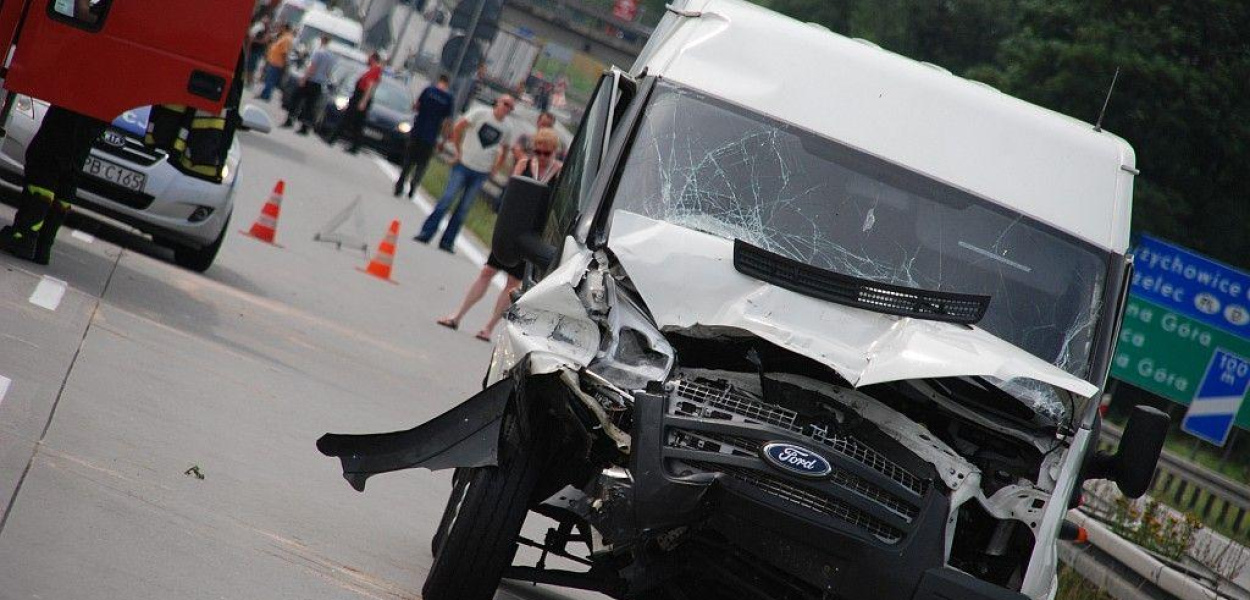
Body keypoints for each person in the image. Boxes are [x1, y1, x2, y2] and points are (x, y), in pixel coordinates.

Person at [0, 0, 110, 264]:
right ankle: (42, 243)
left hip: (83, 96)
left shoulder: (122, 12)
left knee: (45, 161)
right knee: (68, 170)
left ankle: (25, 236)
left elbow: (87, 17)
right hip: (97, 101)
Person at [437, 128, 563, 341]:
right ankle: (457, 316)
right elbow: (511, 197)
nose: (541, 157)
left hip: (534, 235)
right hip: (513, 227)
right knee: (487, 271)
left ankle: (488, 327)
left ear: (554, 153)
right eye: (538, 152)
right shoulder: (524, 164)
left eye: (546, 154)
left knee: (513, 282)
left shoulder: (559, 171)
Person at [414, 95, 515, 251]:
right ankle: (426, 232)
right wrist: (457, 151)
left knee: (464, 208)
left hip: (482, 171)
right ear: (498, 102)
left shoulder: (507, 128)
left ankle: (447, 241)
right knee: (447, 199)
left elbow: (506, 149)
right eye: (505, 104)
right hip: (463, 164)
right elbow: (458, 127)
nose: (506, 108)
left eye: (510, 107)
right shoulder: (481, 113)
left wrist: (496, 167)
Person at [394, 74, 453, 198]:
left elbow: (416, 106)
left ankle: (400, 185)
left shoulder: (429, 90)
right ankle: (413, 186)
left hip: (417, 132)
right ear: (447, 84)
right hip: (431, 137)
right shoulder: (448, 98)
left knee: (409, 160)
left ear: (439, 81)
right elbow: (447, 121)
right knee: (422, 163)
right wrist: (443, 140)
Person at [327, 52, 383, 154]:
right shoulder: (372, 70)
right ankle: (354, 145)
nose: (367, 60)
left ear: (373, 59)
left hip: (361, 97)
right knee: (356, 124)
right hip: (358, 96)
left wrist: (363, 101)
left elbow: (370, 87)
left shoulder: (376, 70)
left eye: (369, 58)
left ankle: (333, 139)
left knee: (348, 120)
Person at [281, 35, 336, 134]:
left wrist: (304, 78)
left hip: (310, 80)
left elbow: (312, 67)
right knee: (310, 105)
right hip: (319, 84)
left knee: (296, 99)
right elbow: (328, 72)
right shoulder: (331, 56)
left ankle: (290, 120)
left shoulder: (318, 52)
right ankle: (305, 127)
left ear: (322, 40)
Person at [257, 22, 293, 101]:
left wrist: (284, 64)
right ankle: (264, 93)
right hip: (274, 61)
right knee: (268, 79)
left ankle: (265, 95)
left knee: (270, 79)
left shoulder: (287, 38)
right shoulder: (284, 36)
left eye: (281, 27)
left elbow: (284, 52)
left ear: (284, 28)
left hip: (277, 63)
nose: (279, 29)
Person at [246, 17, 272, 87]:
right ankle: (249, 81)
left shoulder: (265, 31)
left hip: (256, 51)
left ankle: (249, 82)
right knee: (250, 66)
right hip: (254, 50)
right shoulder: (260, 30)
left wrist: (254, 40)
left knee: (251, 67)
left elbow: (265, 40)